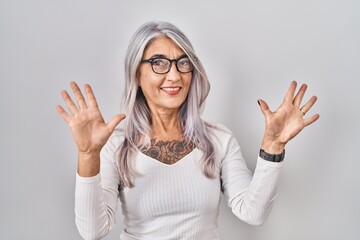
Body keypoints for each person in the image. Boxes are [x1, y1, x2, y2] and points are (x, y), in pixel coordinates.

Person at [56, 21, 319, 240]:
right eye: (159, 63)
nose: (174, 76)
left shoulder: (218, 140)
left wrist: (273, 146)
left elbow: (253, 212)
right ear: (137, 73)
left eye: (183, 63)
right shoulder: (116, 145)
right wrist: (88, 154)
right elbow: (93, 231)